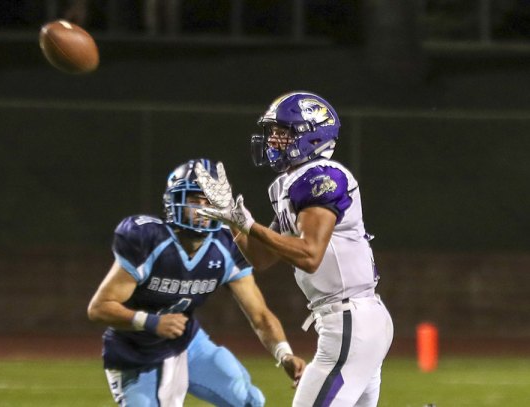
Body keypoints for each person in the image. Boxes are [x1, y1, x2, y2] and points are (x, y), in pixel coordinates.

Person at [194, 92, 394, 407]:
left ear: (312, 135)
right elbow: (263, 257)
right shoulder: (288, 184)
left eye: (283, 132)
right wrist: (232, 217)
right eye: (272, 132)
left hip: (350, 321)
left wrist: (249, 225)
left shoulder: (321, 177)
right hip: (353, 321)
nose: (273, 140)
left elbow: (309, 255)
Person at [87, 158, 306, 407]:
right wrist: (150, 321)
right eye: (194, 200)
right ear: (174, 202)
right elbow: (99, 308)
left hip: (189, 344)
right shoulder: (149, 241)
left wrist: (285, 354)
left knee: (248, 400)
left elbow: (260, 315)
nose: (202, 209)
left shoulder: (226, 246)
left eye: (208, 201)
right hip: (135, 355)